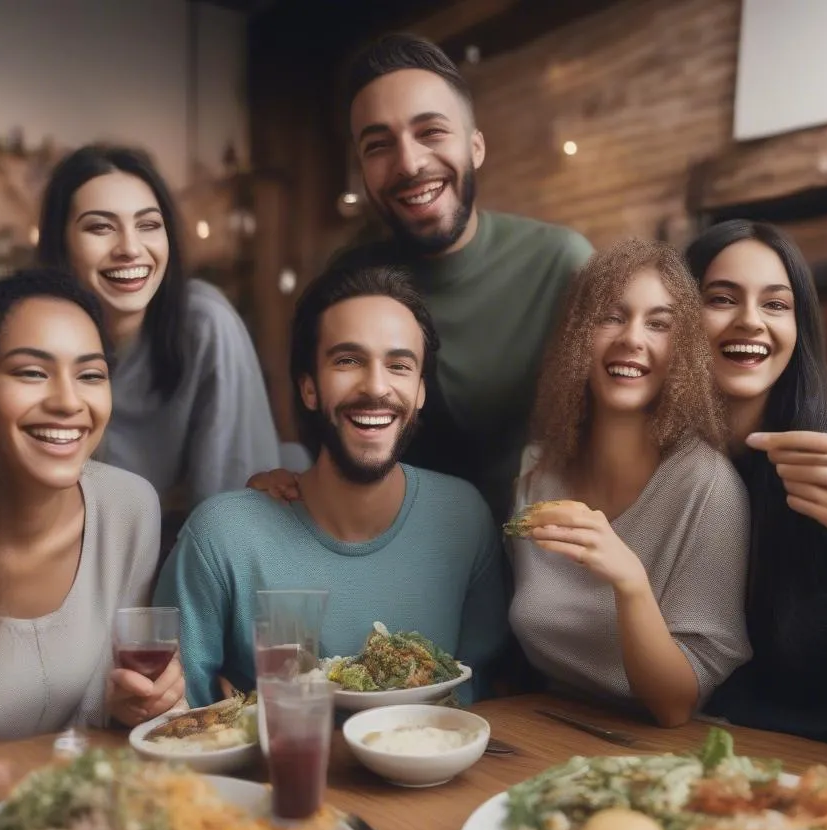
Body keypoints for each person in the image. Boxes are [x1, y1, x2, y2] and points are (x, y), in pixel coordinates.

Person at [0, 270, 185, 830]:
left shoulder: (129, 508)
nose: (69, 401)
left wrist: (133, 703)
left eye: (91, 374)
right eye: (31, 371)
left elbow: (91, 711)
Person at [255, 34, 593, 524]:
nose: (409, 164)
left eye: (431, 132)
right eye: (378, 145)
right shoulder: (351, 281)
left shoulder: (561, 263)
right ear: (363, 170)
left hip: (542, 560)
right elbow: (321, 435)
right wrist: (283, 490)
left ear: (475, 146)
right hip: (391, 554)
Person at [155, 263, 508, 707]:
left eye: (399, 365)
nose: (376, 386)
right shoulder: (221, 537)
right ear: (309, 388)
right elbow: (172, 716)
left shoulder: (464, 518)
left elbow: (488, 699)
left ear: (420, 391)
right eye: (347, 361)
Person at [686, 219, 827, 756]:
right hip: (722, 748)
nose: (750, 322)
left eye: (776, 305)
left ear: (800, 327)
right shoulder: (677, 455)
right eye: (721, 299)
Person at [508, 239, 751, 727]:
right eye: (611, 317)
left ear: (681, 349)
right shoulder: (537, 474)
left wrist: (630, 581)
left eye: (659, 324)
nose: (632, 339)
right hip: (544, 728)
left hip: (658, 751)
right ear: (578, 335)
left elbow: (676, 704)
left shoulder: (708, 486)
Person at [38, 144, 280, 515]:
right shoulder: (31, 335)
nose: (131, 249)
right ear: (61, 244)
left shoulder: (205, 325)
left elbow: (233, 514)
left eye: (148, 225)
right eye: (101, 227)